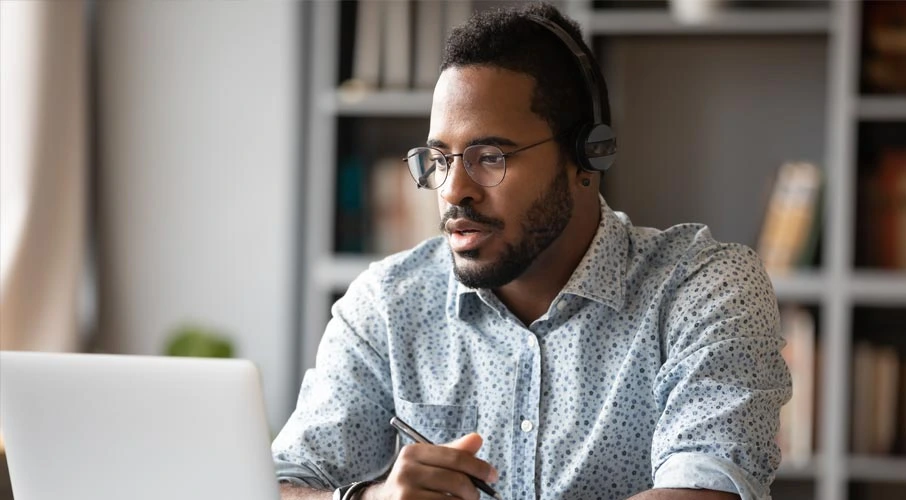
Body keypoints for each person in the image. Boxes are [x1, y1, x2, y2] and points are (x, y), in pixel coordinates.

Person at [273, 3, 791, 500]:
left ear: (588, 155)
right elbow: (276, 484)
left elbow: (705, 488)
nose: (454, 190)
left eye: (490, 156)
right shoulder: (388, 304)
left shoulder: (702, 288)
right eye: (439, 159)